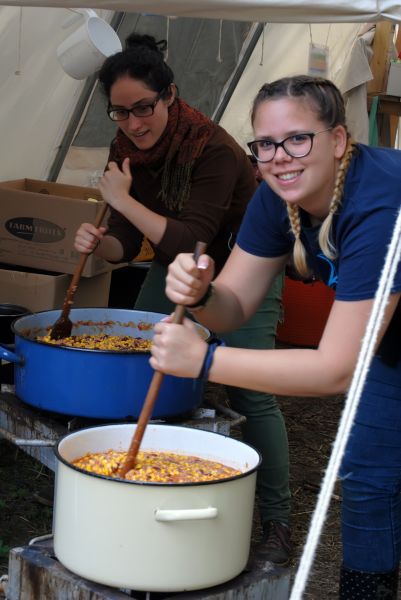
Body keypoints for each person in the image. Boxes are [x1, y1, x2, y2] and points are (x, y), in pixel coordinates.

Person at [150, 74, 401, 599]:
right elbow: (233, 307)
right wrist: (199, 295)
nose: (280, 156)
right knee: (367, 476)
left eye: (297, 139)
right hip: (390, 342)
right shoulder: (277, 195)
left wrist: (204, 362)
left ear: (337, 141)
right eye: (265, 143)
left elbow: (336, 369)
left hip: (375, 344)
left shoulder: (381, 201)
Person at [74, 33, 292, 565]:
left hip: (244, 267)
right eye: (120, 113)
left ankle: (278, 522)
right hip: (176, 269)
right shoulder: (125, 148)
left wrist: (121, 198)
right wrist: (102, 243)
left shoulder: (211, 148)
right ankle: (149, 482)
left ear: (169, 95)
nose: (133, 124)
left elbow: (191, 235)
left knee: (251, 390)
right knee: (145, 359)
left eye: (144, 108)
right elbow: (129, 237)